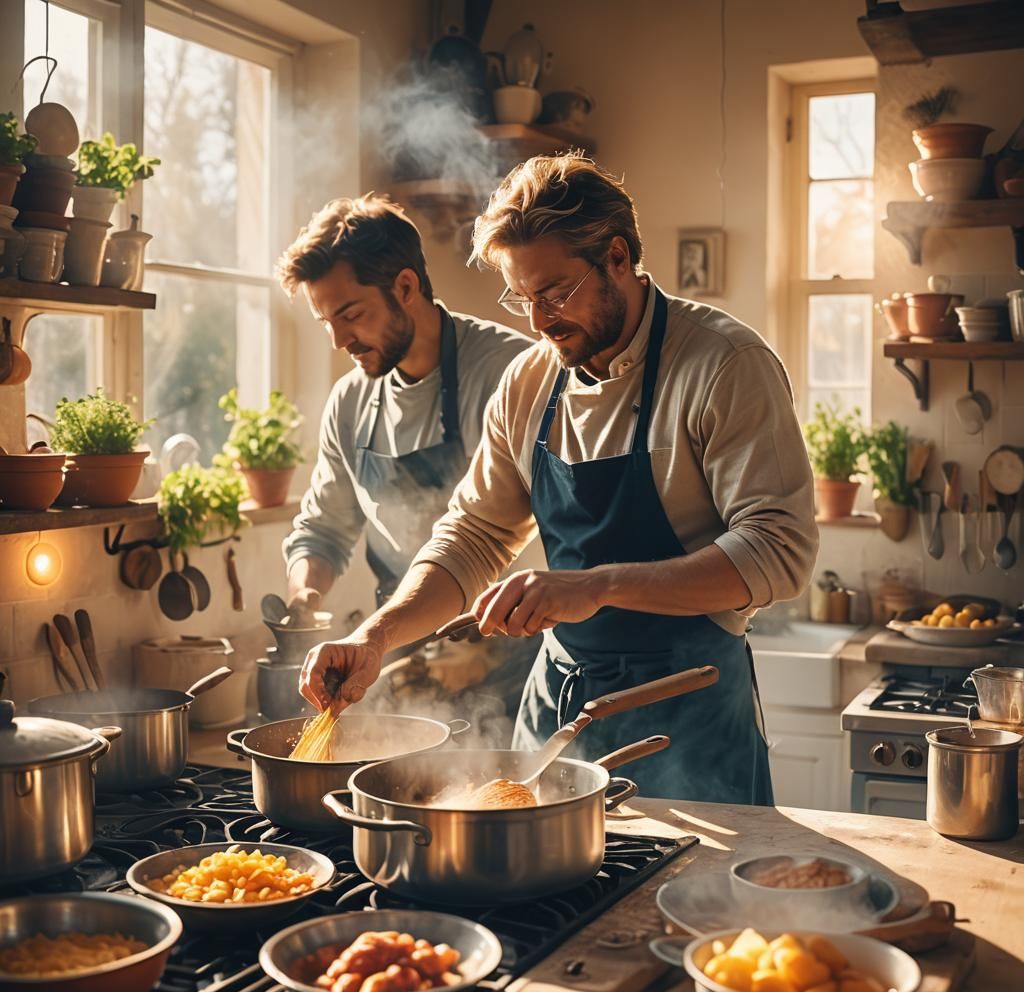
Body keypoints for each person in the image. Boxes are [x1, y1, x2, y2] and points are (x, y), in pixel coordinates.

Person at [297, 157, 818, 803]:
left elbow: (779, 553)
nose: (539, 320)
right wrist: (374, 635)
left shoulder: (722, 364)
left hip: (688, 708)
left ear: (618, 257)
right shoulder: (530, 382)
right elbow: (473, 537)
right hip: (560, 708)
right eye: (522, 297)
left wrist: (599, 585)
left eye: (556, 292)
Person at [277, 194, 537, 716]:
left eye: (350, 314)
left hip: (511, 652)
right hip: (399, 648)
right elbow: (324, 528)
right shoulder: (351, 401)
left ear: (405, 287)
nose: (338, 340)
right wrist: (305, 597)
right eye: (326, 321)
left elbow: (506, 536)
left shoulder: (508, 373)